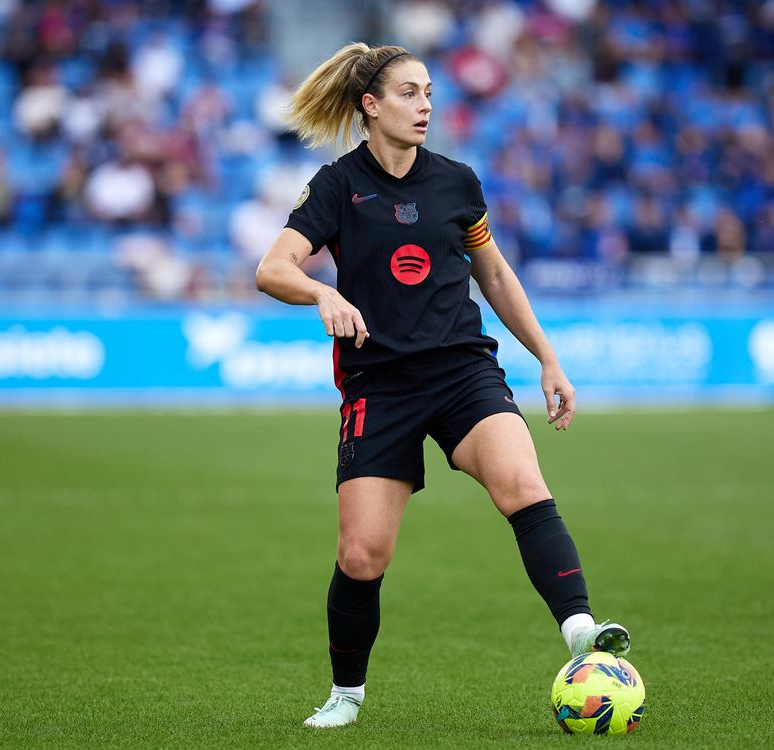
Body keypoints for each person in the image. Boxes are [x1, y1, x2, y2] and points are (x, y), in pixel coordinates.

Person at [254, 43, 631, 730]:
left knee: (522, 483)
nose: (425, 105)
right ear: (371, 105)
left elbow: (495, 275)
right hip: (379, 384)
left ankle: (581, 631)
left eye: (428, 92)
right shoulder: (337, 185)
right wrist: (321, 294)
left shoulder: (458, 183)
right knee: (362, 555)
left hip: (462, 371)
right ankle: (346, 695)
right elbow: (272, 268)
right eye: (409, 93)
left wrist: (547, 358)